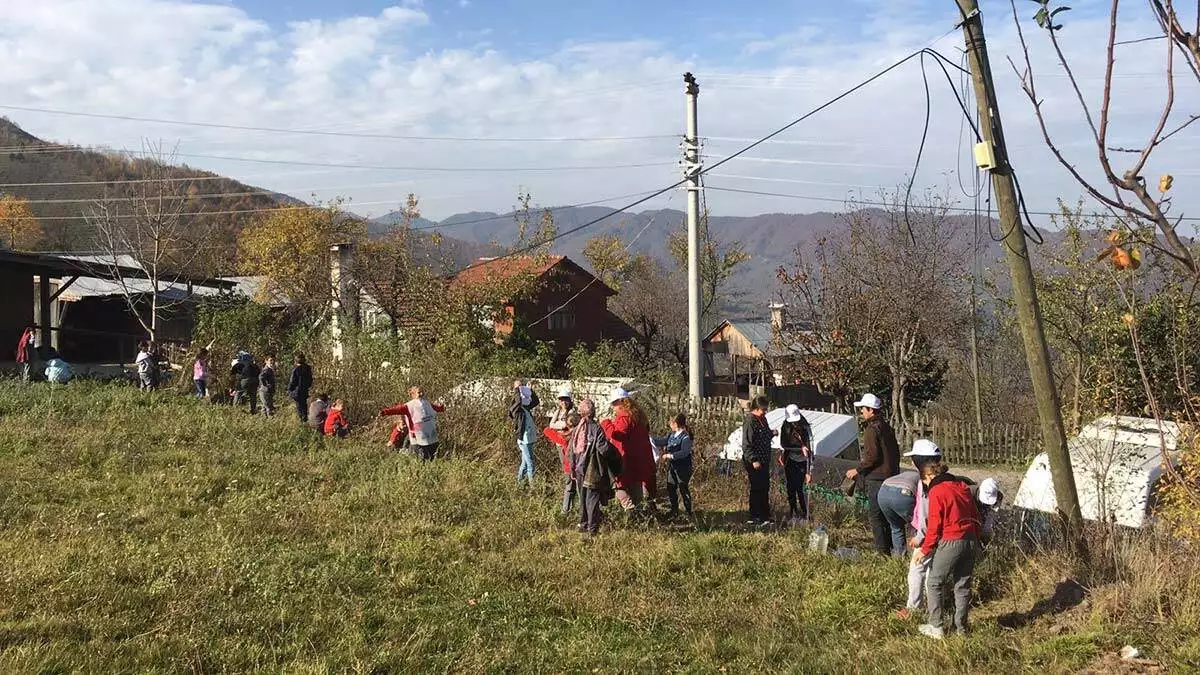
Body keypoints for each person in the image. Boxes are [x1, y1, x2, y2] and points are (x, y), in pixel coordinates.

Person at [915, 455, 983, 640]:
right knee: (963, 585)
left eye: (924, 483)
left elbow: (935, 523)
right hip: (970, 539)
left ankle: (936, 626)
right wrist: (976, 539)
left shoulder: (938, 490)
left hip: (951, 539)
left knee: (935, 582)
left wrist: (925, 549)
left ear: (928, 477)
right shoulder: (962, 487)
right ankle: (961, 628)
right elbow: (976, 515)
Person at [845, 393, 901, 555]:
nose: (862, 411)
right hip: (891, 476)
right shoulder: (885, 426)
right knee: (888, 516)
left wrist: (858, 470)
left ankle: (881, 552)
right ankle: (893, 550)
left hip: (877, 478)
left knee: (876, 516)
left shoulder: (871, 429)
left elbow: (872, 457)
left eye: (863, 408)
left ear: (871, 410)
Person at [570, 399, 619, 537]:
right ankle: (592, 528)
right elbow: (603, 449)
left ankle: (583, 524)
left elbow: (571, 450)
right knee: (592, 499)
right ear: (593, 412)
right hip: (592, 469)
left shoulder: (578, 428)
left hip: (579, 468)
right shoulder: (596, 428)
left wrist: (573, 467)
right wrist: (614, 455)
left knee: (583, 497)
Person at [600, 387, 655, 512]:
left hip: (627, 458)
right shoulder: (638, 415)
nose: (613, 407)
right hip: (640, 457)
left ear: (621, 402)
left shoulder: (624, 417)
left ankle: (630, 510)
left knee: (618, 484)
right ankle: (640, 514)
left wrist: (606, 423)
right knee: (636, 485)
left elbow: (617, 434)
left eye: (614, 403)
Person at [380, 386, 445, 460]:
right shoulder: (409, 406)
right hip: (418, 438)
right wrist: (385, 412)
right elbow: (397, 409)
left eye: (422, 392)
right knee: (421, 459)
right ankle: (403, 453)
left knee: (433, 457)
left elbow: (436, 408)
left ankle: (405, 452)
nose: (421, 394)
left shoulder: (427, 403)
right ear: (412, 394)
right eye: (419, 392)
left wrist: (441, 408)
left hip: (431, 438)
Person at [652, 413, 694, 518]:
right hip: (672, 468)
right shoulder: (672, 435)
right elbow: (662, 441)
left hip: (683, 468)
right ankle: (674, 510)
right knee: (671, 487)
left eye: (671, 422)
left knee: (683, 488)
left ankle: (687, 512)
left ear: (676, 423)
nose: (669, 424)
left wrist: (670, 455)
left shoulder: (685, 437)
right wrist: (650, 439)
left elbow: (684, 452)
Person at [742, 395, 775, 526]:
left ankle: (765, 515)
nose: (765, 412)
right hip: (754, 461)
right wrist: (753, 459)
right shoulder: (750, 421)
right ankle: (754, 515)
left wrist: (772, 433)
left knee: (765, 487)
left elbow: (764, 434)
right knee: (757, 488)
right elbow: (747, 444)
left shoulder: (763, 419)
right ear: (756, 408)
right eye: (763, 409)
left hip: (764, 459)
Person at [778, 404, 813, 525]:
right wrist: (799, 447)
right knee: (790, 487)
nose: (795, 424)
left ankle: (805, 512)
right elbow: (783, 444)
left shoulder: (805, 427)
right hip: (790, 460)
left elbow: (809, 448)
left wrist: (809, 471)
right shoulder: (785, 426)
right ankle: (793, 510)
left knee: (800, 487)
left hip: (802, 461)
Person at [546, 386, 577, 513]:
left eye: (565, 399)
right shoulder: (558, 411)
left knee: (569, 472)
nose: (563, 402)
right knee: (566, 470)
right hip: (559, 444)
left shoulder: (572, 413)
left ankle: (567, 507)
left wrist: (557, 427)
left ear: (570, 400)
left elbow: (565, 425)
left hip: (568, 445)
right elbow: (551, 425)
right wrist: (557, 426)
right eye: (561, 399)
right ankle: (568, 505)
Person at [510, 380, 541, 484]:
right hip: (524, 439)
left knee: (524, 462)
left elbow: (536, 401)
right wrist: (517, 389)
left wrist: (531, 390)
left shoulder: (526, 408)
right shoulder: (515, 409)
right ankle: (533, 488)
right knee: (530, 463)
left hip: (530, 437)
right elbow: (518, 402)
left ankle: (519, 484)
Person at [288, 353, 314, 424]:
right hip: (304, 390)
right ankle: (305, 420)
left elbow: (292, 381)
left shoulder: (296, 370)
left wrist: (290, 391)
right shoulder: (308, 368)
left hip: (297, 391)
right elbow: (310, 380)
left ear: (296, 361)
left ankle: (302, 422)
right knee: (304, 405)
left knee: (299, 407)